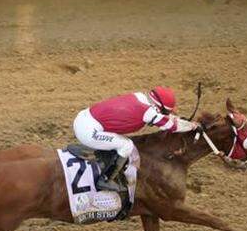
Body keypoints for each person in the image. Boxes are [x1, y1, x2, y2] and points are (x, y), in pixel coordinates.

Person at [72, 87, 200, 213]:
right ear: (157, 107)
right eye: (164, 112)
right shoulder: (149, 112)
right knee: (126, 145)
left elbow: (164, 116)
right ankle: (105, 180)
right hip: (88, 131)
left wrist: (174, 117)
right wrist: (192, 126)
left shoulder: (140, 97)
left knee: (121, 141)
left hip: (84, 118)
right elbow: (171, 126)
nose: (165, 114)